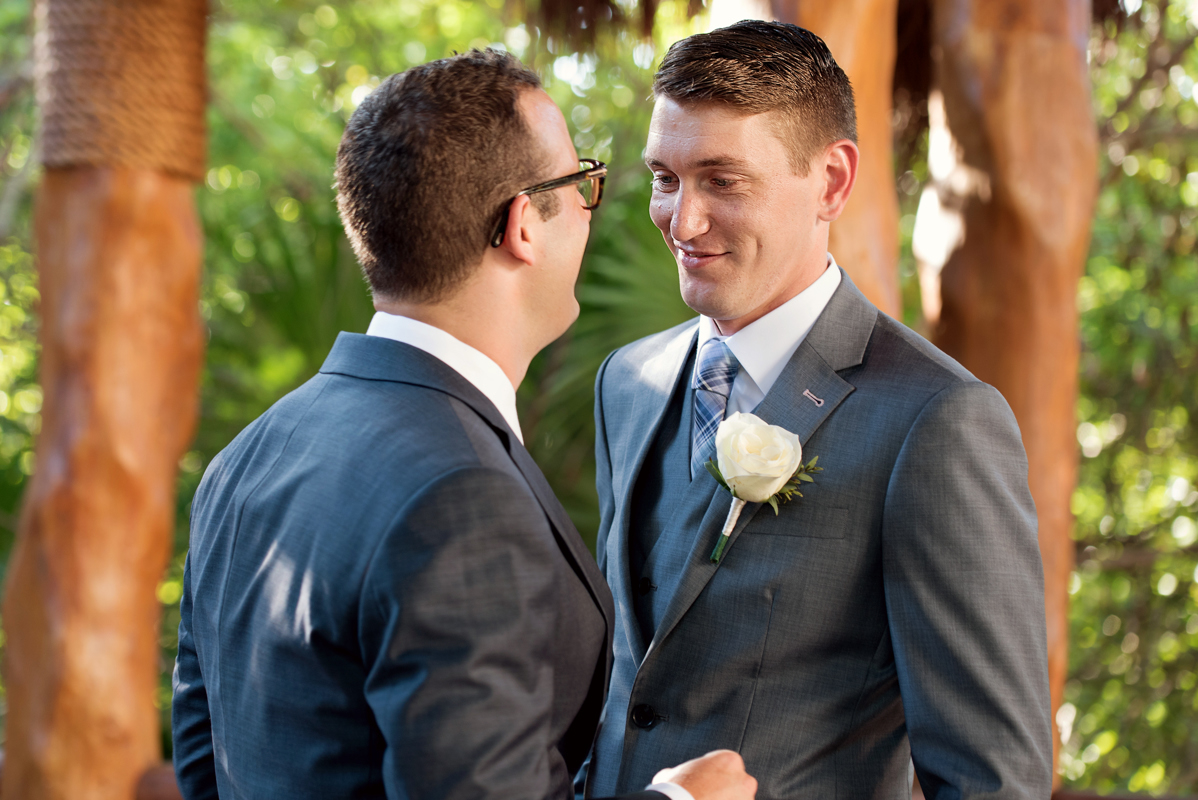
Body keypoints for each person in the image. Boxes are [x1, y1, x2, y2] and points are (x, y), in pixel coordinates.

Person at [171, 49, 756, 800]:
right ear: (522, 226)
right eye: (582, 182)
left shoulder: (249, 456)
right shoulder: (463, 499)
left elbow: (203, 768)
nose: (591, 205)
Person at [584, 21, 1053, 800]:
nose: (681, 220)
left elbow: (992, 781)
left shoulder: (936, 422)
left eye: (722, 181)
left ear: (832, 182)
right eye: (666, 177)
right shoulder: (626, 383)